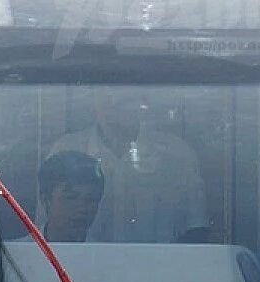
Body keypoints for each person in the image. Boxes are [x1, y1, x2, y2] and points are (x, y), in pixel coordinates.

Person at [48, 90, 210, 243]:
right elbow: (45, 232)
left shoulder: (178, 155)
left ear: (141, 99)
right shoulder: (65, 150)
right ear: (92, 97)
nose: (112, 100)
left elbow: (196, 230)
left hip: (161, 270)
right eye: (104, 91)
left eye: (121, 95)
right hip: (73, 270)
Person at [37, 150, 104, 242]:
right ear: (45, 200)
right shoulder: (17, 252)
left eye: (91, 199)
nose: (82, 208)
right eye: (71, 197)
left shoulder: (105, 254)